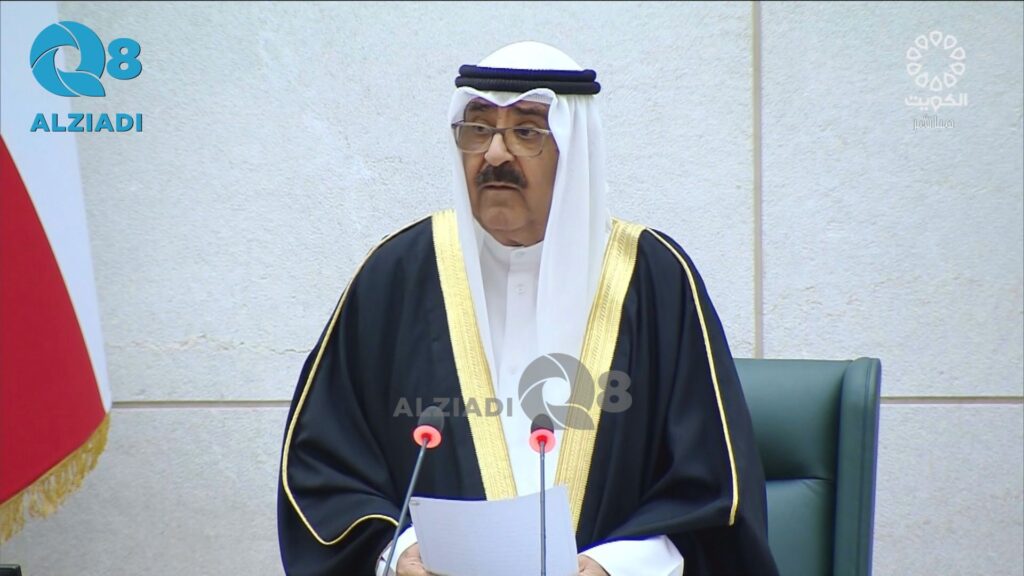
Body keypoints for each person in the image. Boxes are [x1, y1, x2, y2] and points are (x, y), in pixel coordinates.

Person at [278, 41, 778, 576]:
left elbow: (714, 485)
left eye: (527, 132)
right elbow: (322, 466)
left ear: (573, 147)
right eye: (478, 128)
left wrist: (615, 565)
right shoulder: (397, 275)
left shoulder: (654, 279)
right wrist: (399, 552)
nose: (495, 154)